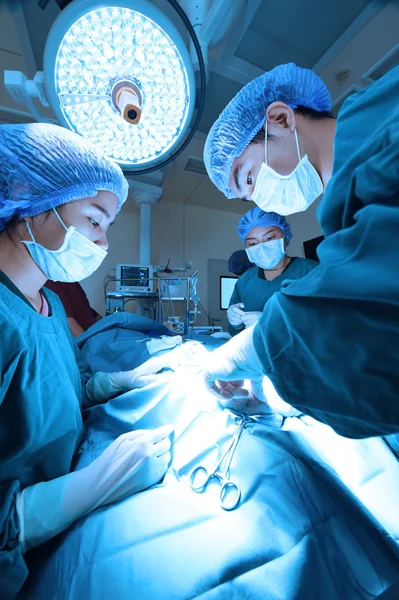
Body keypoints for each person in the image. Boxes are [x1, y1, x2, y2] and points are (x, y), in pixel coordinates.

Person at [0, 123, 173, 599]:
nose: (103, 242)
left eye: (107, 228)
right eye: (94, 220)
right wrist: (94, 484)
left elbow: (69, 383)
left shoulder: (50, 307)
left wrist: (122, 379)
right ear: (28, 198)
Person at [202, 62, 399, 439]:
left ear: (280, 119)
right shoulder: (347, 205)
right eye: (248, 196)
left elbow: (376, 321)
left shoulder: (382, 131)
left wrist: (259, 348)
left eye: (249, 177)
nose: (259, 198)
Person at [227, 207, 318, 336]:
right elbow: (236, 336)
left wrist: (275, 323)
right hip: (254, 355)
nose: (261, 246)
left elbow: (332, 324)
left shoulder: (313, 272)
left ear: (285, 237)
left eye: (269, 238)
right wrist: (236, 324)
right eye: (253, 243)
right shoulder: (244, 281)